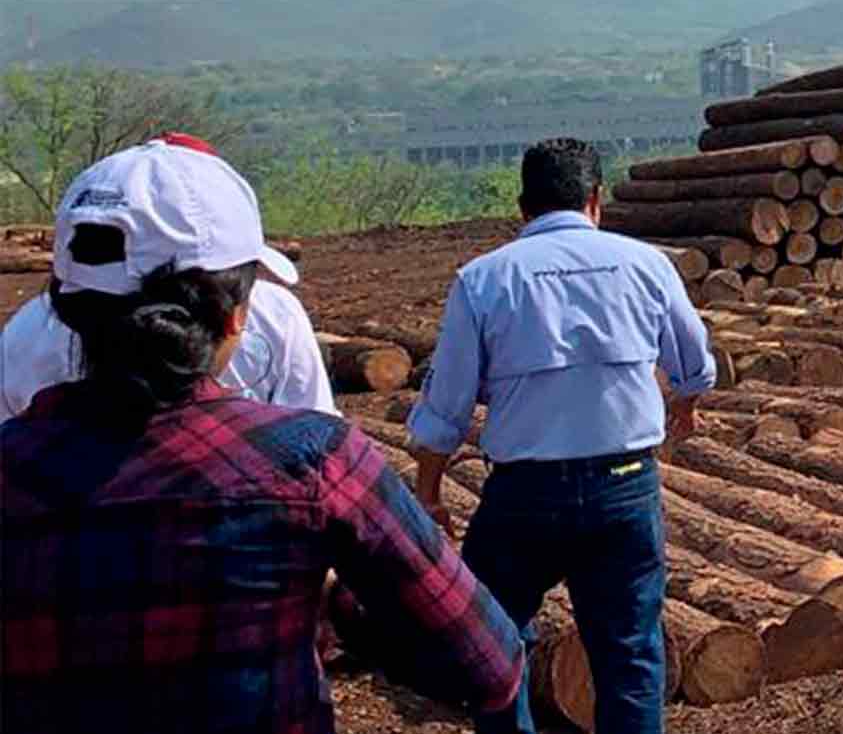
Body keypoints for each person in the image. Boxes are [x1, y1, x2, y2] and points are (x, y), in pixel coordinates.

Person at [0, 140, 524, 732]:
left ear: (66, 310)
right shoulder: (314, 463)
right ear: (234, 315)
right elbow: (490, 666)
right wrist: (336, 596)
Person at [408, 137, 716, 734]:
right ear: (596, 199)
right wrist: (687, 406)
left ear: (523, 208)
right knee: (629, 653)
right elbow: (695, 365)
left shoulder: (482, 280)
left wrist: (429, 492)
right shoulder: (647, 264)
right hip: (624, 486)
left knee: (494, 646)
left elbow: (444, 406)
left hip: (525, 495)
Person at [0, 132, 336, 420]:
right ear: (235, 314)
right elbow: (313, 429)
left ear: (66, 305)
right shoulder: (276, 316)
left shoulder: (24, 335)